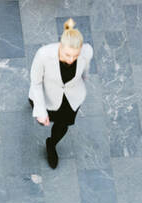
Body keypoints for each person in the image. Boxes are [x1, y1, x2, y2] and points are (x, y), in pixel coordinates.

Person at [28, 18, 93, 169]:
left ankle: (52, 144)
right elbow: (36, 83)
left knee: (63, 125)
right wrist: (41, 111)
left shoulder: (87, 51)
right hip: (47, 94)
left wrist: (83, 80)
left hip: (70, 98)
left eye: (75, 56)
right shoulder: (43, 55)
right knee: (35, 106)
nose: (71, 60)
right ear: (60, 46)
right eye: (67, 55)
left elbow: (85, 70)